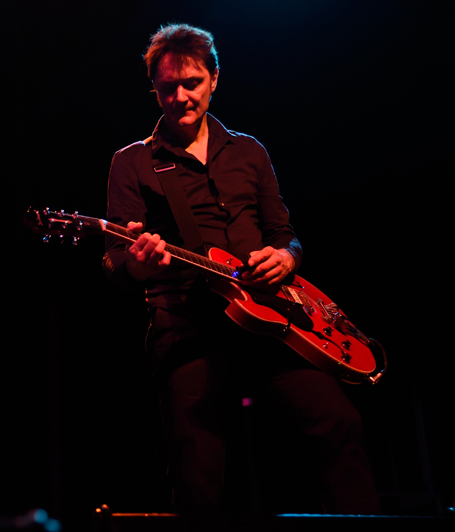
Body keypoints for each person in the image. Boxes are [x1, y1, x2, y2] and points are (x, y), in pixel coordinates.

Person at [102, 24, 380, 522]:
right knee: (199, 477)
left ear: (214, 80)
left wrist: (287, 258)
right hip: (189, 330)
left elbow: (284, 231)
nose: (181, 96)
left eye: (192, 82)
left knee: (339, 423)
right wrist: (139, 264)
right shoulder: (133, 163)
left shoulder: (249, 151)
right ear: (155, 90)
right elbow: (118, 266)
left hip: (273, 323)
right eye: (168, 88)